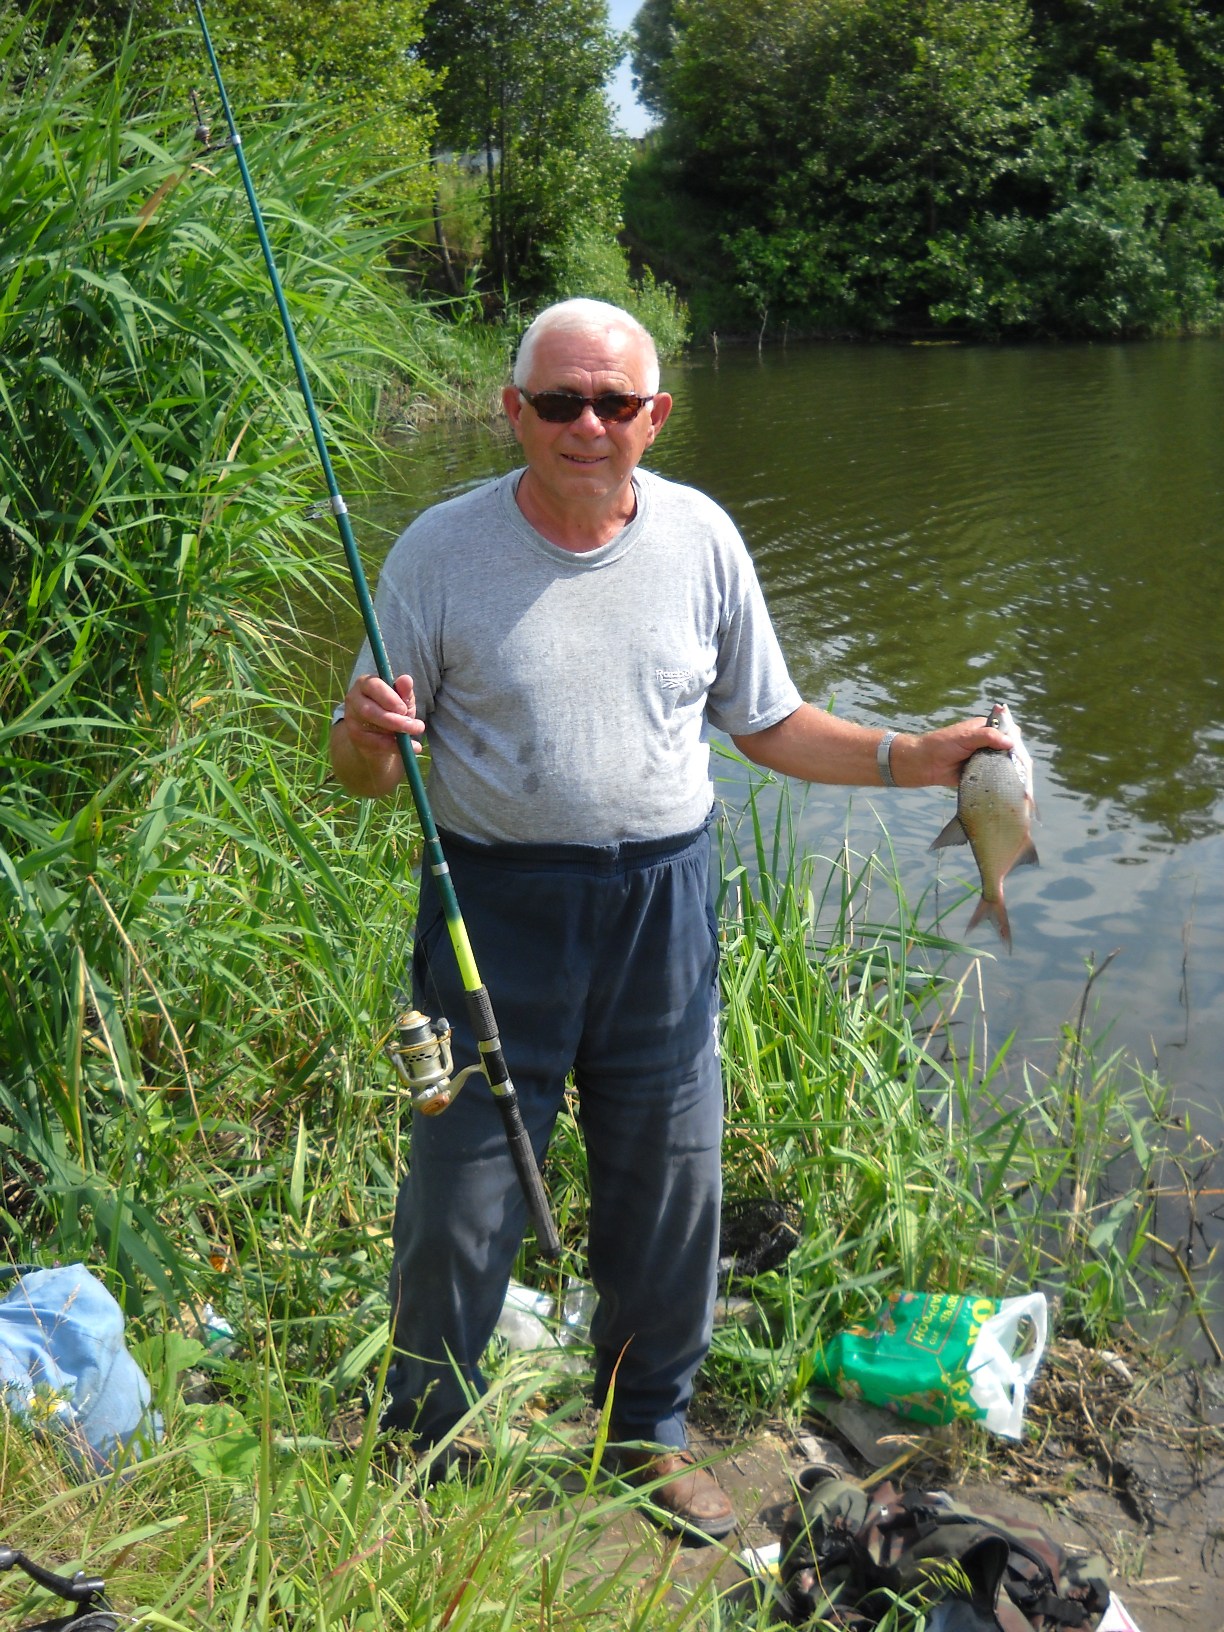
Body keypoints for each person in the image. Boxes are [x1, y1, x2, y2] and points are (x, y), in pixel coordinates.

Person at [329, 297, 1013, 1539]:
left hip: (663, 904)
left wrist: (918, 758)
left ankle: (644, 1429)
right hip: (493, 903)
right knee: (463, 1186)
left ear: (657, 414)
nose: (586, 426)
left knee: (672, 1178)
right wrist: (365, 737)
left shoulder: (703, 537)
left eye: (613, 403)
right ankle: (422, 1436)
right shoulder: (436, 550)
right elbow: (366, 771)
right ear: (512, 411)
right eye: (557, 402)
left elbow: (768, 724)